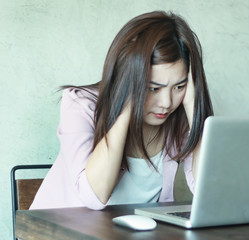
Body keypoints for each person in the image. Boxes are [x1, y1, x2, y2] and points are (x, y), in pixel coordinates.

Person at [30, 11, 213, 210]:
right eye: (153, 88)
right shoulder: (81, 105)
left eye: (179, 87)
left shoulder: (179, 118)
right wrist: (126, 105)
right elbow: (93, 197)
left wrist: (194, 107)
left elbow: (207, 190)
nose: (166, 103)